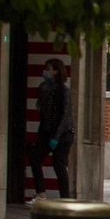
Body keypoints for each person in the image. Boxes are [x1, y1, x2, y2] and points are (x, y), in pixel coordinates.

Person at [29, 58, 74, 200]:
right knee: (35, 158)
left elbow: (65, 116)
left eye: (48, 69)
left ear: (56, 71)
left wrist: (56, 137)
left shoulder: (64, 91)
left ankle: (65, 198)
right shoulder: (43, 88)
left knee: (59, 165)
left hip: (63, 134)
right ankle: (41, 193)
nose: (45, 72)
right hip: (46, 131)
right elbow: (42, 112)